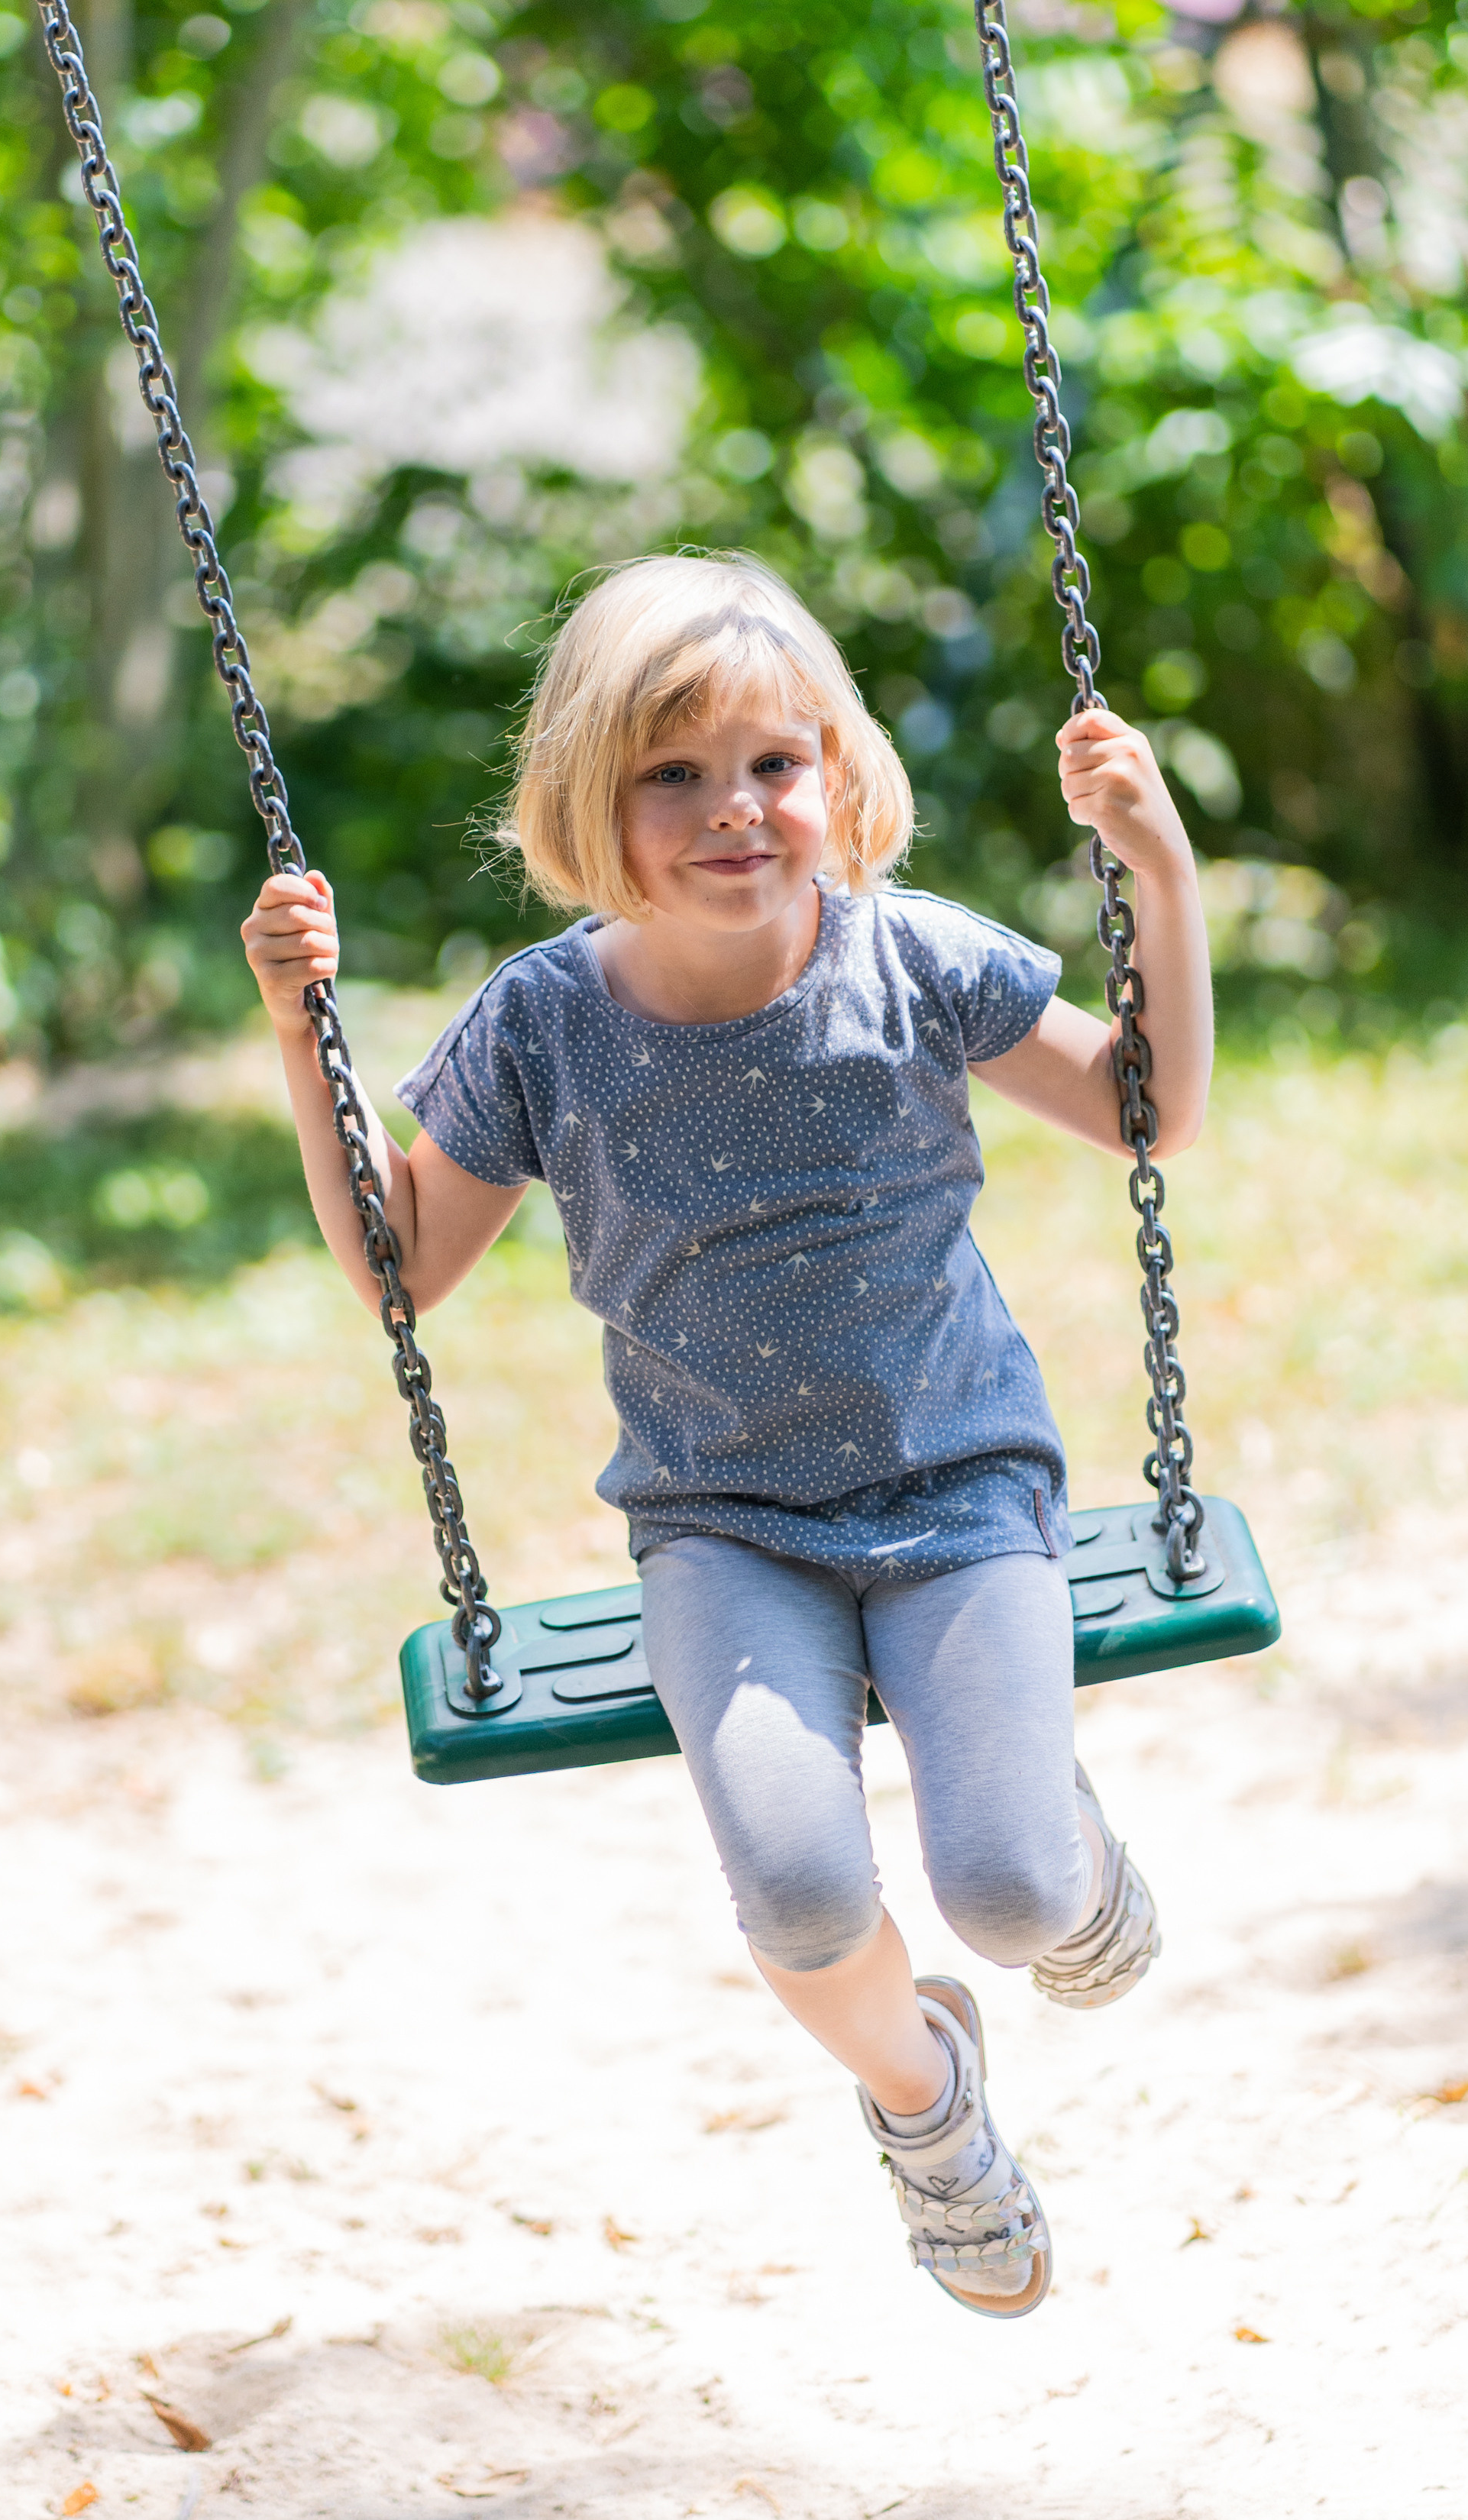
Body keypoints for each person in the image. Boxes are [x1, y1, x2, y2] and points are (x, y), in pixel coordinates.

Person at [241, 551, 1214, 2319]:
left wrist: (1151, 865)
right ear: (586, 803)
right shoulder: (542, 1025)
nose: (730, 812)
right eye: (669, 777)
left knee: (1002, 1884)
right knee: (792, 1888)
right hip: (721, 1526)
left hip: (960, 1488)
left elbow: (1148, 1105)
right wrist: (304, 1037)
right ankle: (927, 2111)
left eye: (769, 763)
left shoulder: (908, 959)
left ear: (833, 772)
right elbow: (405, 1267)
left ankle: (1057, 1852)